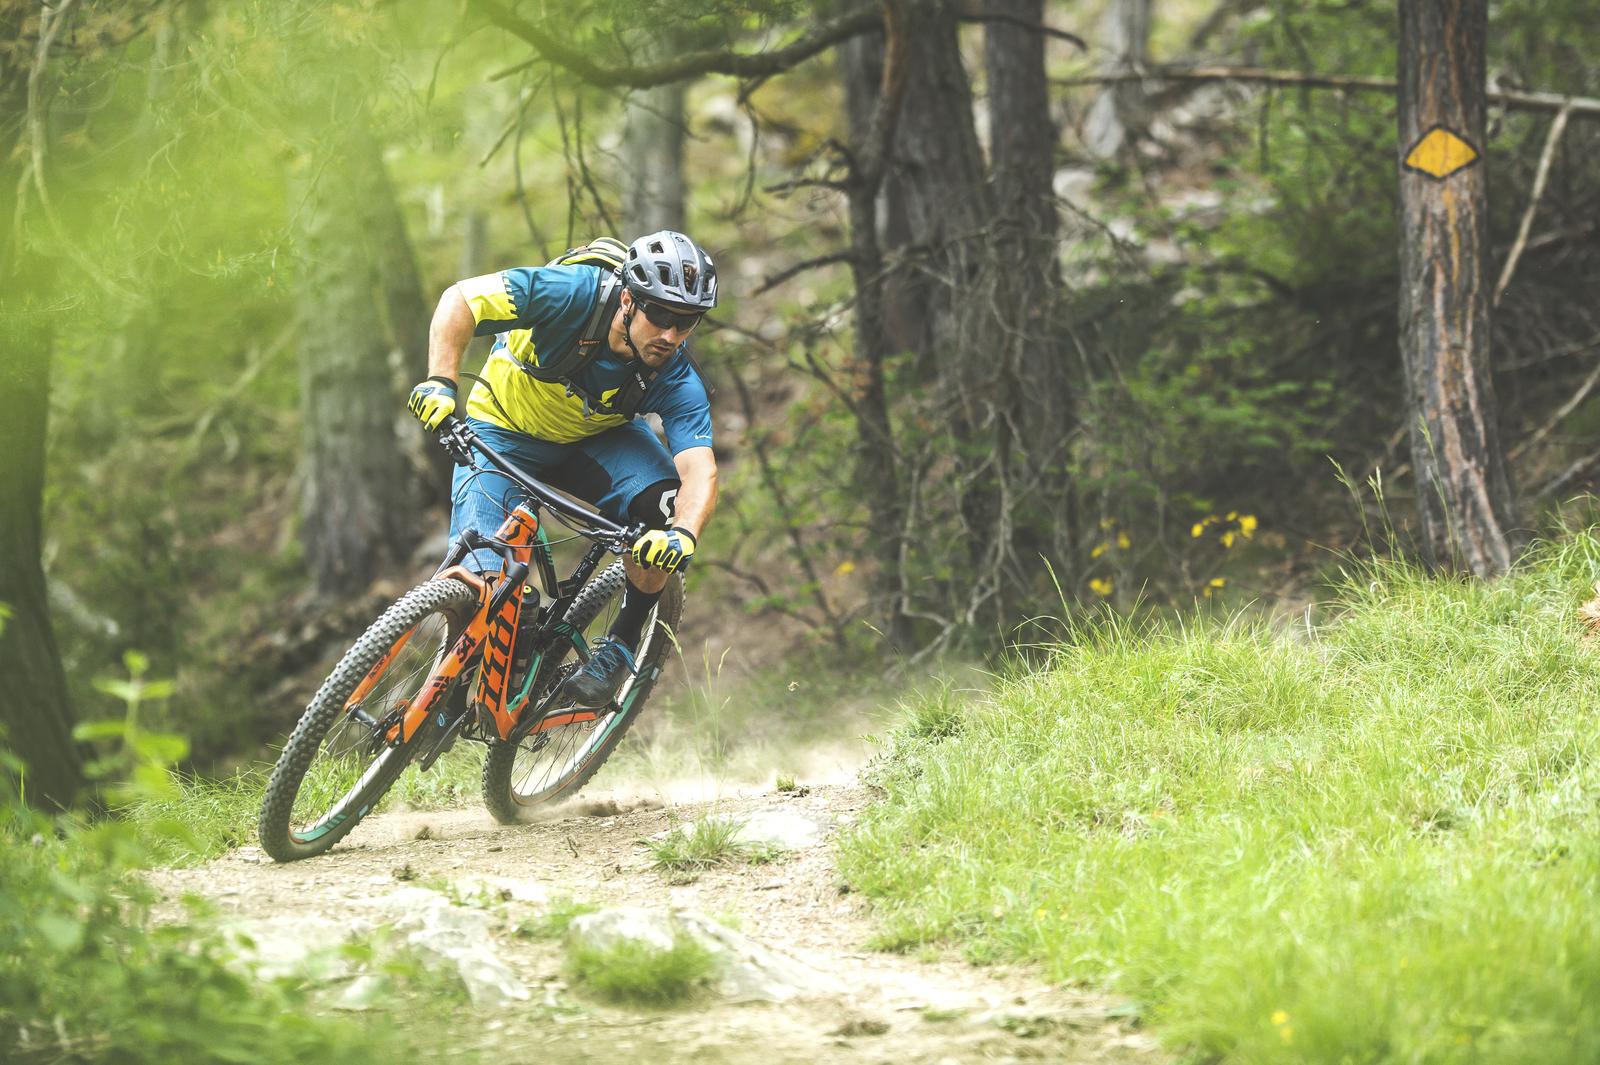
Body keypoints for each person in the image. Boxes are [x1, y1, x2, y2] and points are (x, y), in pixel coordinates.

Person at [406, 230, 719, 708]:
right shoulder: (571, 294)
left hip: (593, 443)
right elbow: (462, 300)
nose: (671, 335)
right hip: (503, 432)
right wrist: (440, 382)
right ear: (629, 300)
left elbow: (700, 469)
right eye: (660, 315)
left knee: (664, 508)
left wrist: (683, 535)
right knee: (482, 584)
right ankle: (451, 695)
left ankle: (621, 645)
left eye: (687, 321)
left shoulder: (675, 375)